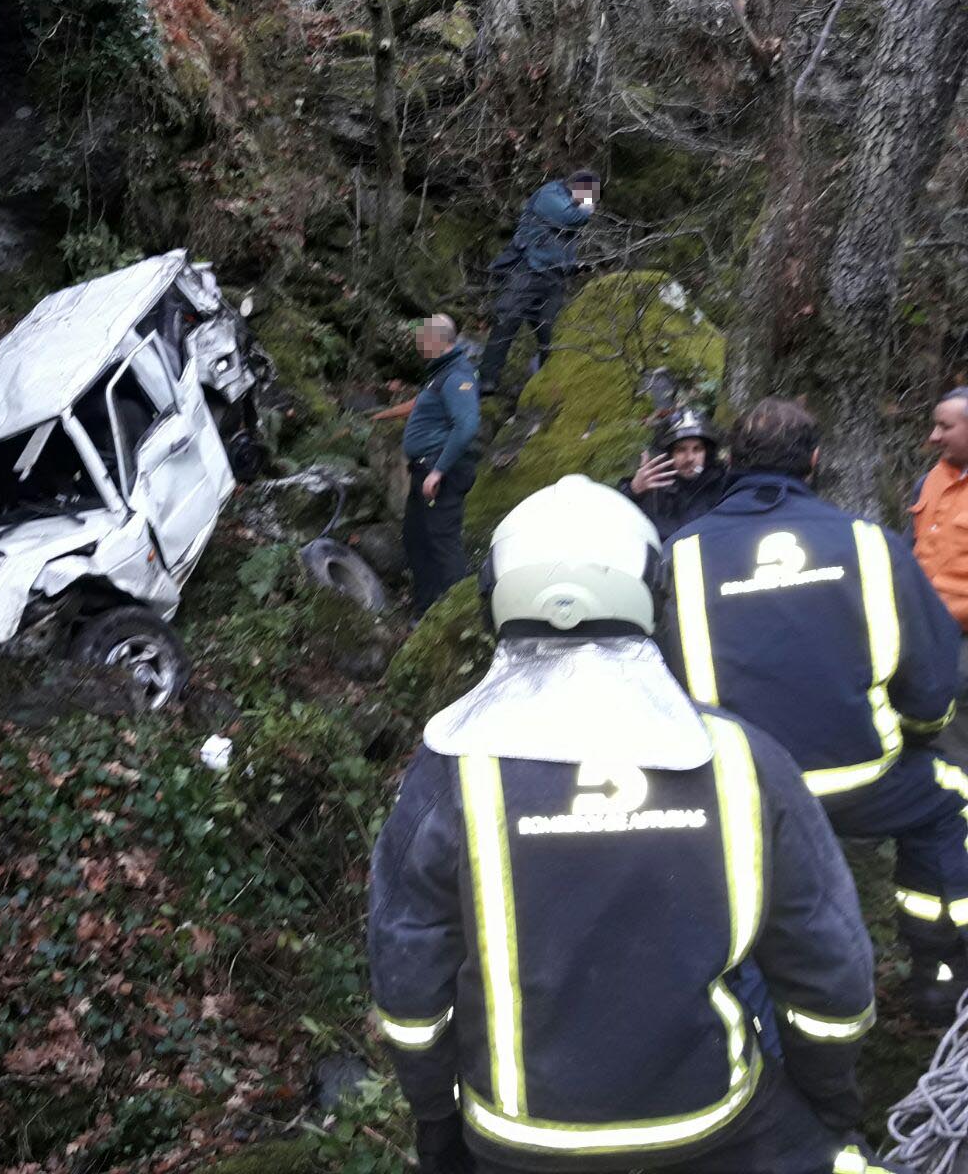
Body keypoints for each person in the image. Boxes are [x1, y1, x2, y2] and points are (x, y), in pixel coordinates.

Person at [370, 474, 898, 1174]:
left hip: (519, 1139)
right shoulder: (743, 757)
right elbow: (832, 974)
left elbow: (409, 992)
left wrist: (438, 1123)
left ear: (497, 598)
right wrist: (829, 1104)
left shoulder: (449, 772)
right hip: (715, 1122)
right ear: (654, 597)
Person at [660, 398, 966, 1023]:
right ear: (816, 462)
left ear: (731, 463)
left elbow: (657, 684)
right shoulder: (869, 544)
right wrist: (912, 734)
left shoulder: (680, 554)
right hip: (862, 783)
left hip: (734, 791)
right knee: (949, 794)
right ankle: (939, 977)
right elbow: (933, 691)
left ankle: (729, 989)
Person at [376, 315, 482, 614]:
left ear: (438, 342)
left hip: (442, 472)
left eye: (422, 338)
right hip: (425, 469)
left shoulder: (457, 377)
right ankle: (425, 611)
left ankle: (459, 618)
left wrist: (438, 470)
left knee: (442, 543)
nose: (418, 343)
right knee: (416, 537)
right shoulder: (441, 373)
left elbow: (467, 425)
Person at [475, 171, 599, 396]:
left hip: (553, 280)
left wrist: (575, 267)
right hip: (526, 271)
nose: (592, 201)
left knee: (551, 336)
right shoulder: (550, 195)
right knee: (506, 322)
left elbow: (561, 247)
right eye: (590, 195)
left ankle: (544, 387)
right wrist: (587, 208)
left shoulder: (572, 206)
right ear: (579, 187)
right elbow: (569, 217)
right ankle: (487, 381)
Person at [909, 387, 968, 770]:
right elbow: (909, 549)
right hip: (922, 633)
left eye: (944, 427)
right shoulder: (930, 480)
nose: (933, 436)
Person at [619, 406, 731, 541]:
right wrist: (632, 491)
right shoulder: (652, 489)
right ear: (668, 454)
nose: (690, 458)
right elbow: (614, 524)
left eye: (697, 449)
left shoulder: (724, 484)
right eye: (681, 450)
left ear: (707, 452)